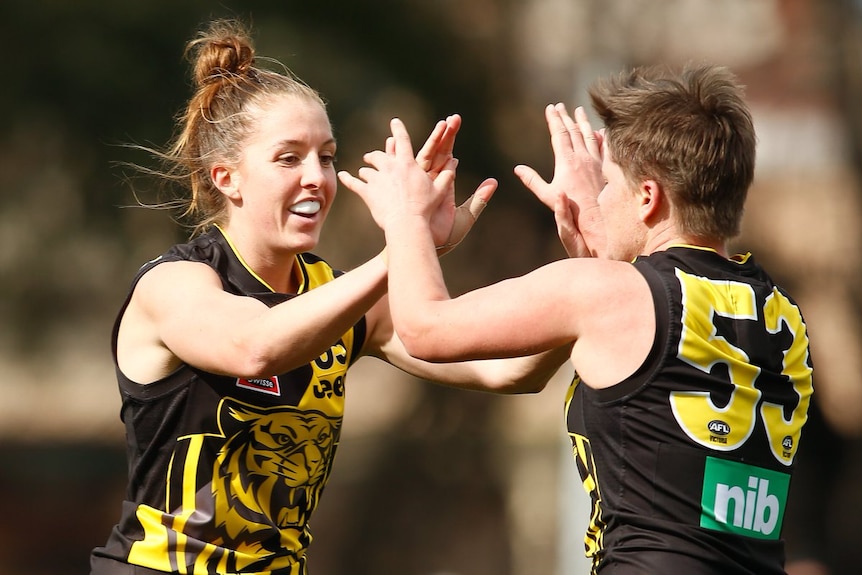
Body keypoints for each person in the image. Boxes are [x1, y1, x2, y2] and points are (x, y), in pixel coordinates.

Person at [89, 19, 570, 575]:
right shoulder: (176, 283)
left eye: (326, 156)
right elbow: (256, 347)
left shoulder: (335, 296)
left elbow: (511, 371)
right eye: (288, 158)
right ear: (226, 178)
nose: (317, 177)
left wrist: (592, 267)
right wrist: (405, 243)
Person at [339, 63, 815, 574]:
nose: (600, 197)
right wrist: (602, 240)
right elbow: (530, 372)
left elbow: (425, 328)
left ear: (648, 197)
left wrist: (407, 216)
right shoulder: (782, 313)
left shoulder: (607, 294)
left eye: (608, 185)